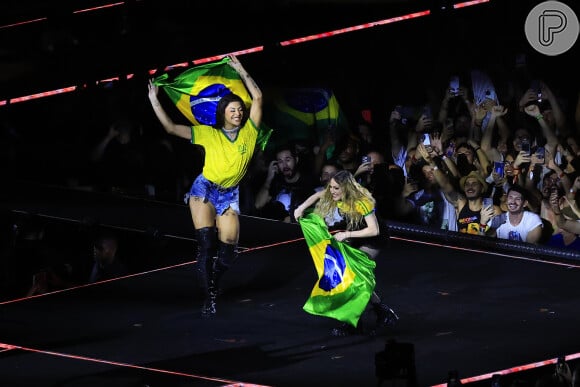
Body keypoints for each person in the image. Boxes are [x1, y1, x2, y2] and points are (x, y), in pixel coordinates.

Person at [147, 54, 266, 318]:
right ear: (222, 113)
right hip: (205, 191)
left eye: (239, 110)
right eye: (232, 110)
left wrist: (241, 69)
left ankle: (213, 279)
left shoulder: (250, 131)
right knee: (206, 245)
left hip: (229, 194)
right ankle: (209, 296)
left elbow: (257, 97)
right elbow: (170, 128)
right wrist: (155, 100)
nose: (237, 113)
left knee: (229, 252)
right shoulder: (208, 133)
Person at [294, 170, 398, 336]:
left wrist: (346, 235)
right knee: (349, 277)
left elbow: (374, 229)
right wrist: (301, 208)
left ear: (346, 189)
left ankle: (369, 317)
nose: (332, 191)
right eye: (331, 187)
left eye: (336, 188)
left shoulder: (361, 201)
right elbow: (317, 195)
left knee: (354, 277)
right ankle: (372, 316)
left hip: (372, 238)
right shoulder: (333, 194)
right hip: (355, 235)